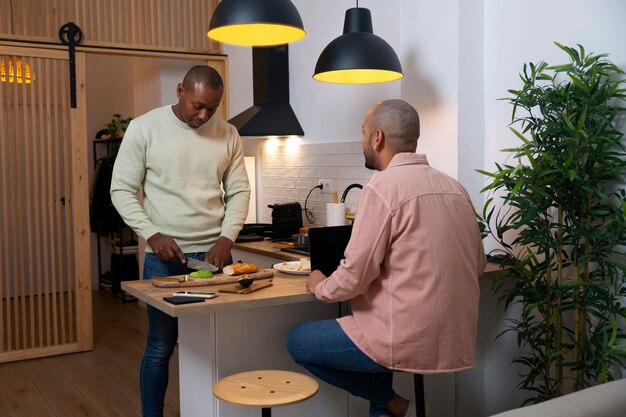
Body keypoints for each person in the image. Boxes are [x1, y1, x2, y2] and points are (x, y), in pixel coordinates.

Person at [286, 99, 486, 417]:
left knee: (298, 342)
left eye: (363, 132)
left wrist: (319, 285)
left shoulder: (381, 188)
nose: (362, 140)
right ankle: (389, 405)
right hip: (453, 338)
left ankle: (394, 403)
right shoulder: (455, 188)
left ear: (377, 138)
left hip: (403, 339)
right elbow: (477, 263)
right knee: (375, 327)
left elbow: (355, 276)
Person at [110, 65, 251, 417]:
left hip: (215, 256)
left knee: (215, 343)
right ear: (180, 91)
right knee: (161, 345)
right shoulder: (144, 128)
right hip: (164, 258)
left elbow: (239, 192)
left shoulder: (229, 133)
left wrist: (226, 237)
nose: (203, 116)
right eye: (197, 106)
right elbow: (121, 190)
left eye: (212, 109)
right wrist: (151, 233)